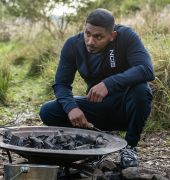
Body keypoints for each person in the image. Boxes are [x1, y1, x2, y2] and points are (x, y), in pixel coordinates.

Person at [39, 8, 155, 168]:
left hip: (126, 108)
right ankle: (96, 141)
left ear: (112, 36)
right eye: (88, 34)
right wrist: (71, 107)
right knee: (48, 111)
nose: (90, 41)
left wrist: (109, 83)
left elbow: (146, 69)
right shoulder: (73, 45)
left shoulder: (126, 36)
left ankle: (130, 146)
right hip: (96, 108)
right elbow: (61, 84)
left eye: (98, 37)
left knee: (141, 90)